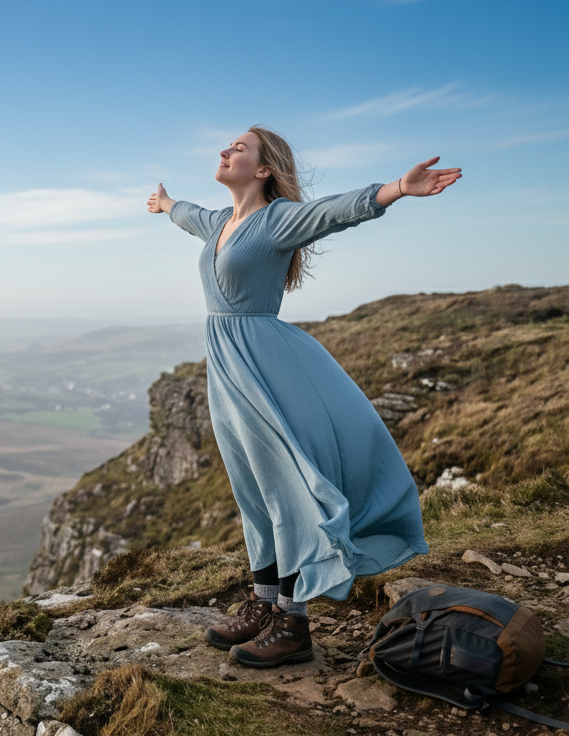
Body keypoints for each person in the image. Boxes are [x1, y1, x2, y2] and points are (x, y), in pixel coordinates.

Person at [146, 125, 460, 668]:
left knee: (284, 487)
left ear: (264, 170)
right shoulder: (221, 222)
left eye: (239, 149)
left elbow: (335, 211)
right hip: (226, 364)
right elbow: (187, 214)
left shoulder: (277, 220)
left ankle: (293, 625)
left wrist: (396, 189)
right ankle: (263, 603)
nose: (225, 152)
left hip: (267, 364)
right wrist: (165, 203)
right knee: (250, 486)